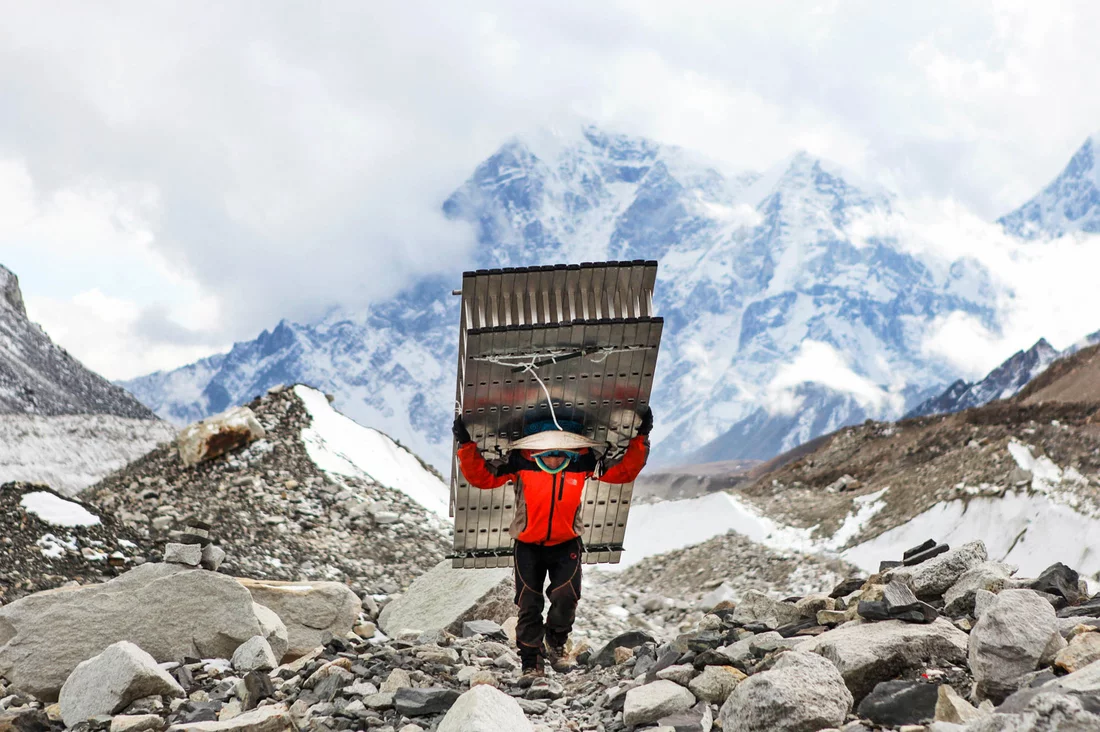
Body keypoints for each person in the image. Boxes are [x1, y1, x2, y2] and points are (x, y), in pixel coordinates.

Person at [453, 408, 653, 678]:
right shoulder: (520, 463)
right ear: (535, 447)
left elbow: (623, 473)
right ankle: (531, 662)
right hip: (527, 545)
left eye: (561, 447)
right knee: (528, 603)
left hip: (567, 542)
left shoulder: (582, 464)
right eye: (548, 447)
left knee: (566, 596)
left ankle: (556, 644)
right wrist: (465, 444)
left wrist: (642, 437)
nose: (555, 454)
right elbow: (483, 478)